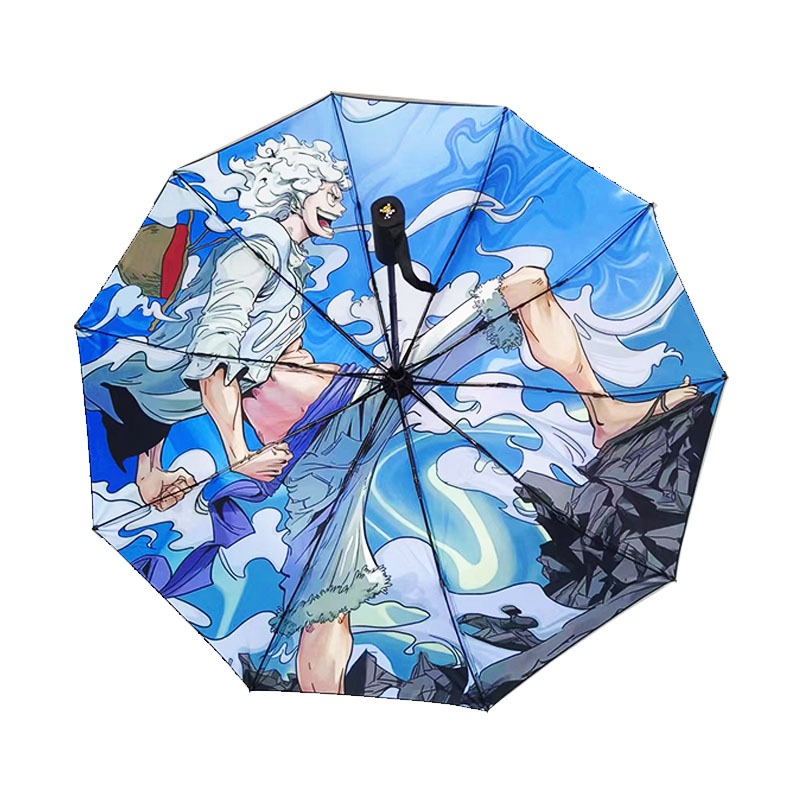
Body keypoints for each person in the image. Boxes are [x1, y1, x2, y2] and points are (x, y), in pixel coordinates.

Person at [82, 134, 351, 511]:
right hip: (161, 387)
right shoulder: (255, 253)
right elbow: (214, 354)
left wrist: (150, 474)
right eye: (332, 196)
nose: (340, 208)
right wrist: (240, 456)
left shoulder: (291, 264)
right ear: (298, 191)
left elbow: (276, 348)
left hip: (169, 399)